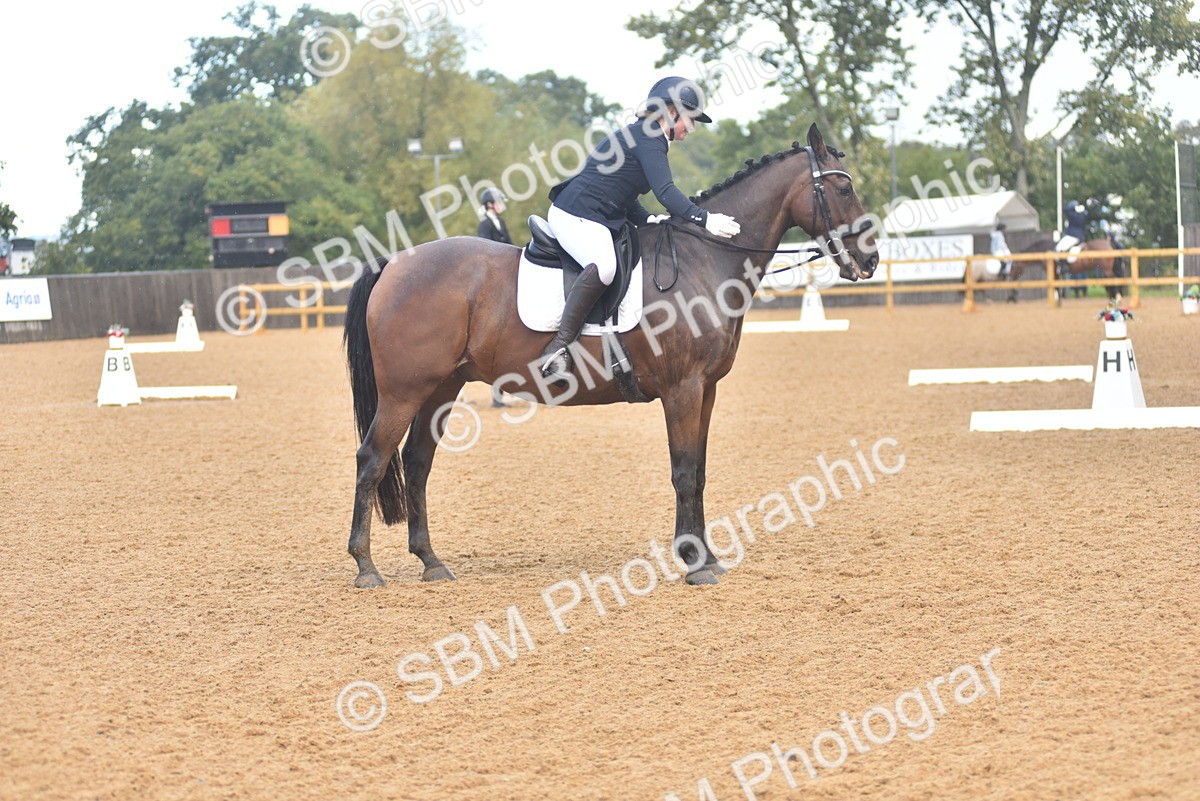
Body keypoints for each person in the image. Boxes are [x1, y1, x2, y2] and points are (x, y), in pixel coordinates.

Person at [536, 76, 741, 384]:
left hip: (596, 215)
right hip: (574, 215)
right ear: (670, 112)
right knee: (604, 267)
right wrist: (704, 219)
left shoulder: (643, 136)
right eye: (690, 119)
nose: (692, 128)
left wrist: (646, 220)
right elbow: (666, 191)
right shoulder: (649, 137)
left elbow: (623, 193)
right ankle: (558, 347)